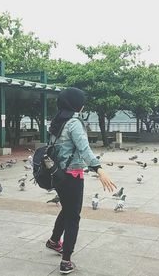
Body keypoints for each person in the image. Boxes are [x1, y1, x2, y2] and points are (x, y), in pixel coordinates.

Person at [45, 88, 116, 274]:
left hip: (58, 174)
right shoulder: (74, 122)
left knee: (67, 209)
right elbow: (84, 149)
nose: (83, 105)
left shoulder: (57, 121)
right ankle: (66, 260)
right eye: (81, 101)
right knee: (73, 217)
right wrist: (99, 169)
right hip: (72, 176)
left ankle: (53, 241)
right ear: (76, 104)